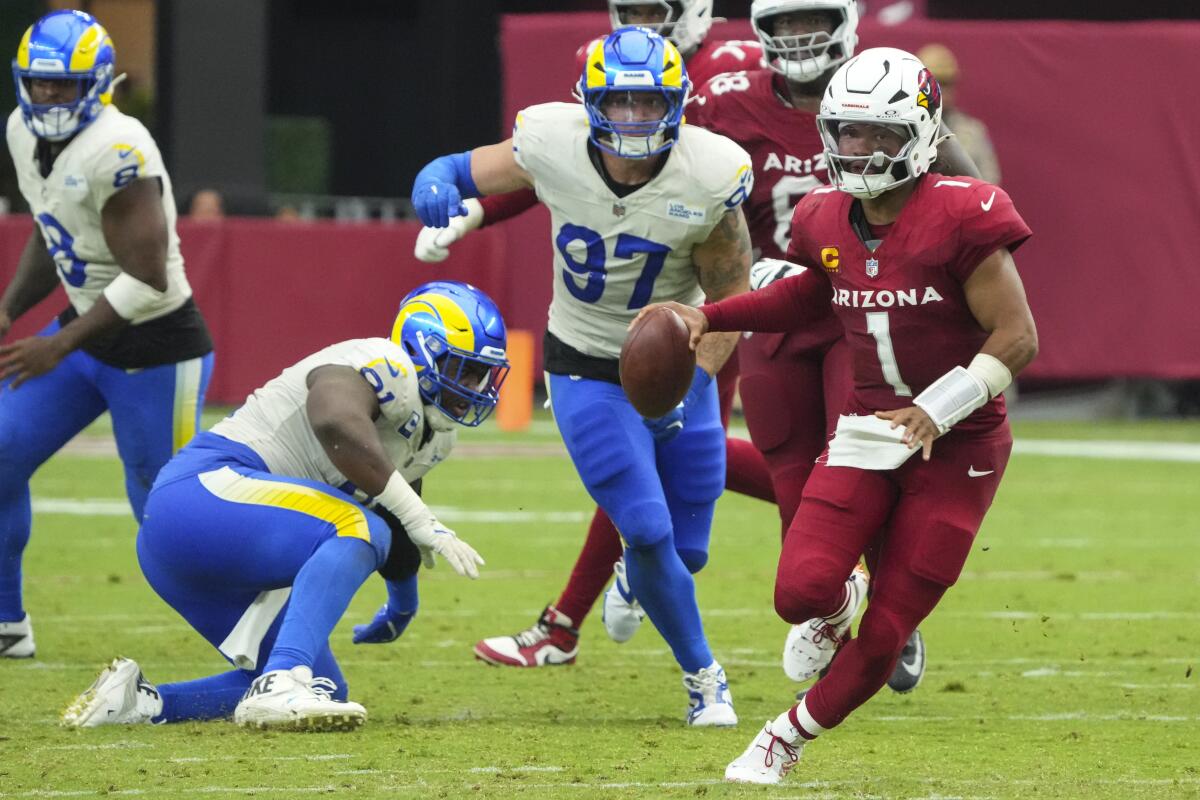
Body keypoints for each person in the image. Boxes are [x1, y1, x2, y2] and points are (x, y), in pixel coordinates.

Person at [637, 47, 1037, 783]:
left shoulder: (965, 212)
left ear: (919, 133)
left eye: (878, 134)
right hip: (866, 425)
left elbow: (1019, 338)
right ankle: (839, 597)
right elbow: (810, 296)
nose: (859, 149)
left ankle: (784, 737)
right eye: (847, 131)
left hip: (959, 445)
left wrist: (939, 408)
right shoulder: (823, 212)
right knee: (799, 593)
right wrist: (707, 316)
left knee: (888, 630)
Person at [413, 27, 752, 726]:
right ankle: (705, 678)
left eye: (649, 102)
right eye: (618, 102)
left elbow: (730, 300)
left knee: (685, 552)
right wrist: (439, 177)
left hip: (680, 360)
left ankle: (639, 569)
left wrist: (685, 389)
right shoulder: (551, 141)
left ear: (678, 103)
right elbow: (467, 168)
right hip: (584, 366)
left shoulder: (710, 172)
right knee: (652, 530)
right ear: (591, 102)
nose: (634, 118)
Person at [61, 281, 509, 730]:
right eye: (464, 369)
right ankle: (280, 682)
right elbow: (335, 421)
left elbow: (399, 515)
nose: (474, 386)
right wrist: (421, 520)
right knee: (354, 526)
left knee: (325, 686)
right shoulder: (381, 361)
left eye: (482, 374)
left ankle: (140, 704)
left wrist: (403, 603)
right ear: (421, 349)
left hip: (200, 550)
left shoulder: (432, 436)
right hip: (201, 494)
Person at [0, 10, 214, 659]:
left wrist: (55, 343)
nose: (47, 98)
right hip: (89, 336)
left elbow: (148, 275)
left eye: (62, 86)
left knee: (165, 512)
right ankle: (7, 622)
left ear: (96, 84)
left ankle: (260, 628)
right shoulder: (20, 131)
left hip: (157, 346)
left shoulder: (120, 147)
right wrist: (10, 309)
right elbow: (52, 229)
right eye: (38, 84)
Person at [916, 43, 1001, 185]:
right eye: (936, 84)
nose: (943, 92)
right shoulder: (903, 130)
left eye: (948, 84)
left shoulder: (973, 132)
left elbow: (990, 183)